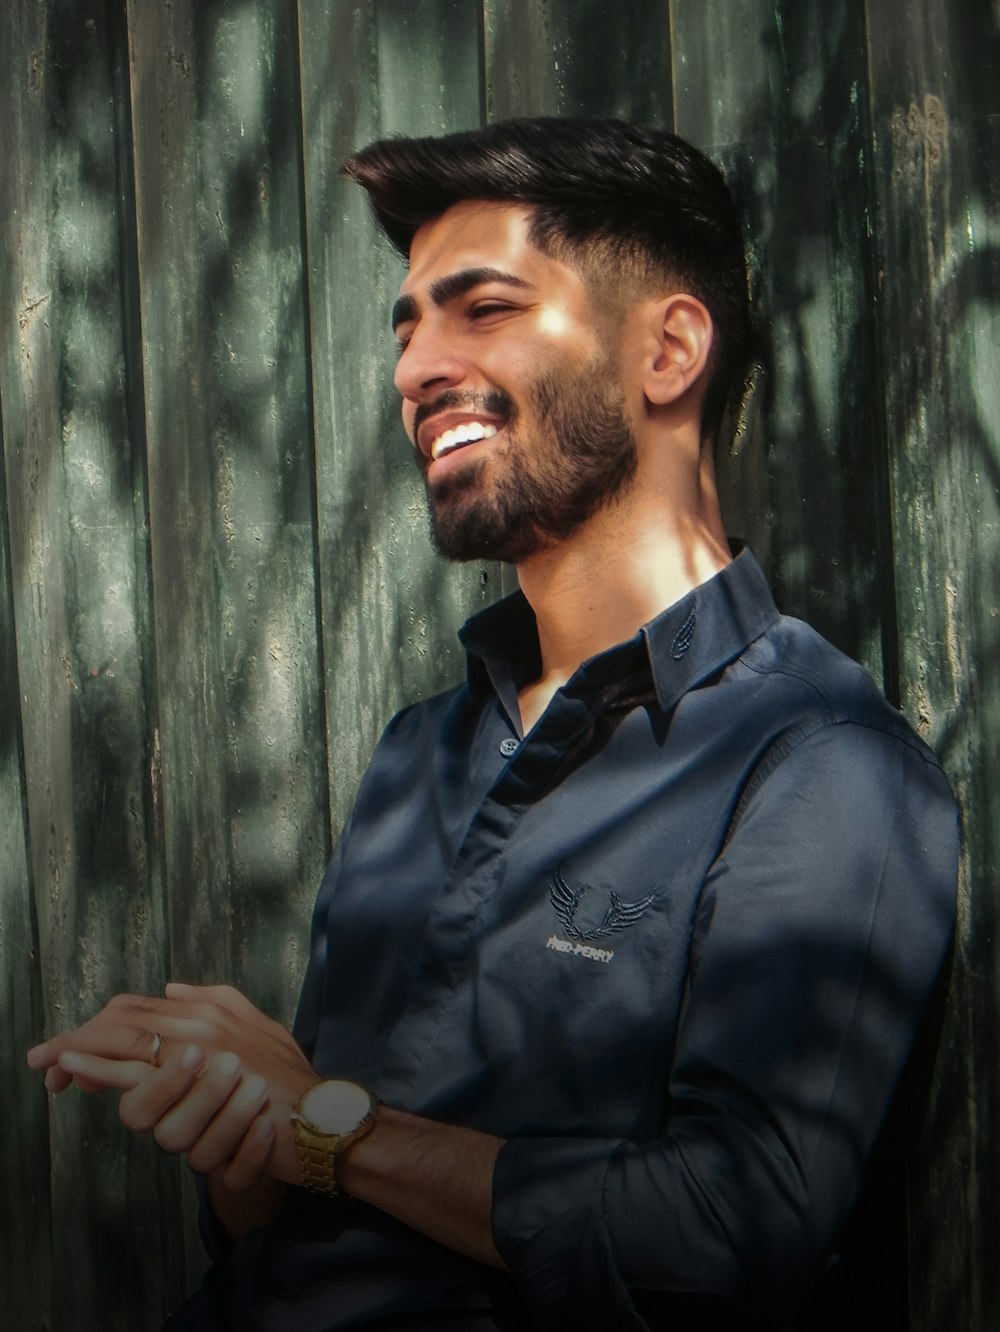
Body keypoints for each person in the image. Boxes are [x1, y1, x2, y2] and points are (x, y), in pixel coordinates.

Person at [27, 118, 958, 1331]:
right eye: (408, 323)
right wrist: (247, 1130)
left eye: (482, 307)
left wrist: (324, 1124)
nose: (414, 368)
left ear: (669, 348)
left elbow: (729, 1237)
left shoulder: (820, 765)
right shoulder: (422, 749)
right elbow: (303, 1203)